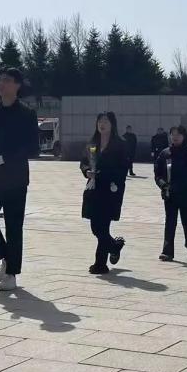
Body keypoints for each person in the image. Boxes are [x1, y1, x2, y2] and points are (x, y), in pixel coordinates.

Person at [0, 67, 40, 292]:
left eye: (6, 80)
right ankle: (5, 257)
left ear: (17, 85)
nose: (1, 83)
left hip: (15, 178)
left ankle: (12, 273)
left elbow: (33, 148)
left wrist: (5, 158)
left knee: (14, 226)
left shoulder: (27, 113)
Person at [81, 113, 128, 274]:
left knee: (103, 227)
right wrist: (87, 171)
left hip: (110, 190)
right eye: (100, 121)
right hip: (93, 189)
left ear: (112, 124)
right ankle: (114, 246)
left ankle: (100, 264)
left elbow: (122, 168)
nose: (102, 124)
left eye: (106, 121)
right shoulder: (92, 143)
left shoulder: (120, 144)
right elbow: (84, 162)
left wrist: (104, 175)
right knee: (95, 228)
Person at [154, 126, 187, 261]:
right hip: (169, 193)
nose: (175, 137)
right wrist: (163, 185)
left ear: (183, 136)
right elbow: (158, 174)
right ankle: (167, 251)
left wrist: (182, 187)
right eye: (172, 134)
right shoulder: (165, 153)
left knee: (186, 220)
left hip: (186, 193)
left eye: (178, 134)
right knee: (170, 221)